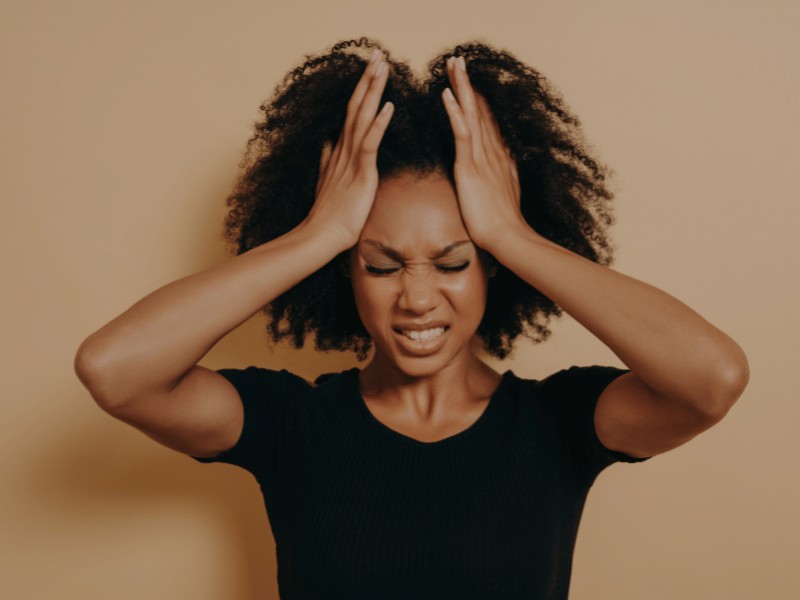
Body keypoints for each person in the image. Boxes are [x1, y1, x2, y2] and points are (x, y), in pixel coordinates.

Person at [74, 38, 749, 599]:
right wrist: (321, 232)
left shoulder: (558, 424)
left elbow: (712, 377)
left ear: (491, 269)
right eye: (382, 264)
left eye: (453, 263)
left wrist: (512, 235)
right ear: (348, 272)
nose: (418, 298)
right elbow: (115, 370)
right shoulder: (292, 424)